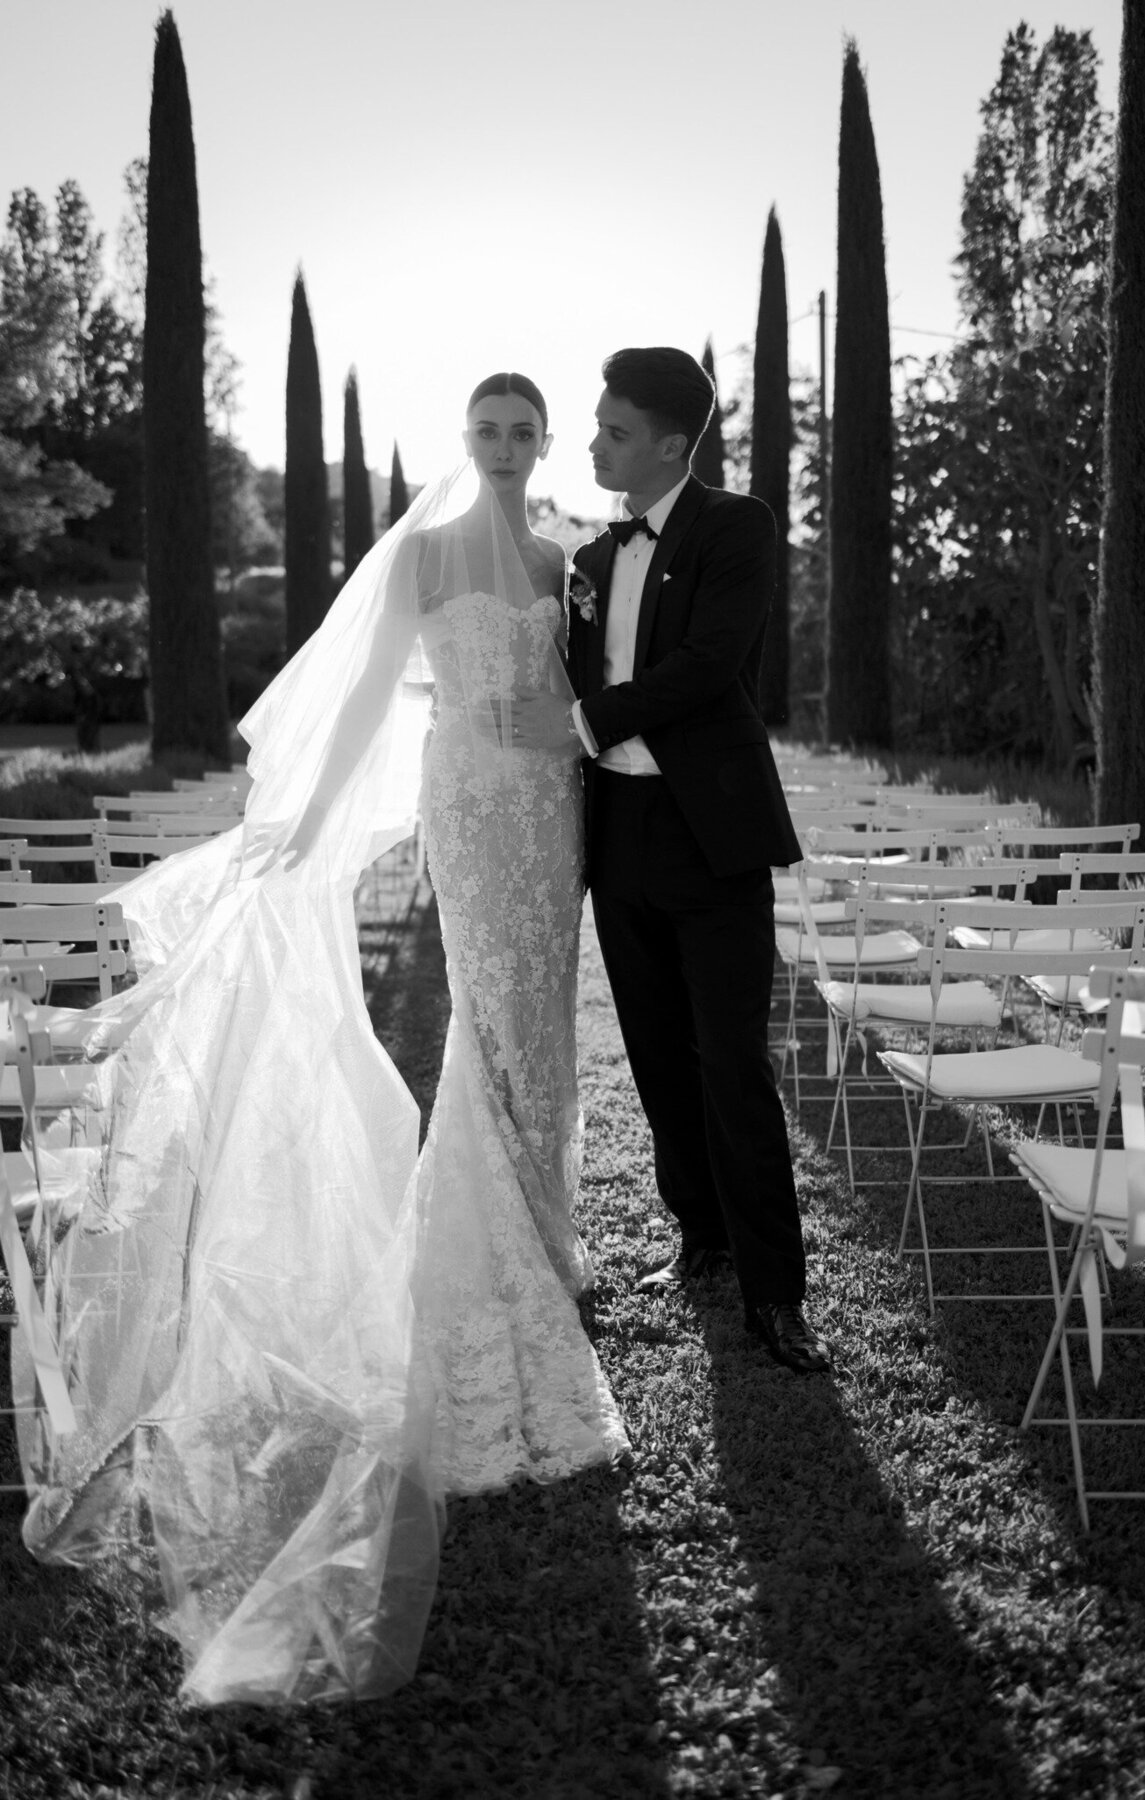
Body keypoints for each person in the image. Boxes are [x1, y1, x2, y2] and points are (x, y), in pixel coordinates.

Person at [14, 373, 627, 1708]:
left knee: (543, 1027)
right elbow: (362, 697)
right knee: (487, 1021)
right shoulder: (422, 550)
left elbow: (584, 691)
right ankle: (503, 1256)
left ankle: (548, 1234)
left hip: (551, 805)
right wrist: (307, 821)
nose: (512, 450)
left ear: (548, 444)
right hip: (467, 800)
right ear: (466, 440)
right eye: (492, 431)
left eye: (528, 433)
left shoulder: (557, 553)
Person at [511, 346, 829, 1377]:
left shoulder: (736, 526)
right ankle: (702, 1237)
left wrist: (580, 721)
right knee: (654, 1055)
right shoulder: (593, 563)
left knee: (730, 1063)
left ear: (667, 443)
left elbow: (709, 666)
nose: (595, 442)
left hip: (714, 835)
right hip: (620, 836)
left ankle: (777, 1295)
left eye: (611, 430)